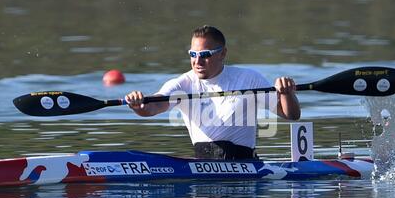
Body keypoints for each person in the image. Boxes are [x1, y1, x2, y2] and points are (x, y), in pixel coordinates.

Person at [125, 25, 300, 160]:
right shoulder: (182, 84)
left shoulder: (249, 78)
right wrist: (138, 105)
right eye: (193, 54)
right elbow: (152, 108)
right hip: (204, 174)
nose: (197, 61)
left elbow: (290, 114)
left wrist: (286, 93)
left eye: (205, 54)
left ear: (222, 53)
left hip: (246, 168)